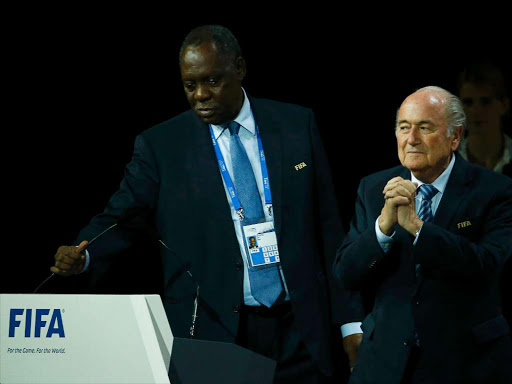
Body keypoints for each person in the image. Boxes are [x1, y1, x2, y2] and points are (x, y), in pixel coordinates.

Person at [51, 25, 364, 383]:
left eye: (213, 81)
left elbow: (329, 227)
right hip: (214, 332)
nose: (201, 95)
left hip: (302, 330)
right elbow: (122, 218)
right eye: (190, 85)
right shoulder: (163, 146)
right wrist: (84, 252)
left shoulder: (295, 124)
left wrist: (350, 322)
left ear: (240, 69)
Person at [334, 86, 512, 383]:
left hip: (465, 362)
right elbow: (346, 274)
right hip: (386, 363)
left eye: (424, 127)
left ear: (454, 137)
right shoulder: (372, 187)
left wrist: (418, 228)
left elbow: (487, 264)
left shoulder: (495, 191)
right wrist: (383, 227)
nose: (411, 139)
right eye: (404, 127)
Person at [457, 59, 511, 176]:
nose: (476, 111)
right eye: (468, 102)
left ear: (504, 105)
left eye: (485, 102)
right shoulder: (446, 163)